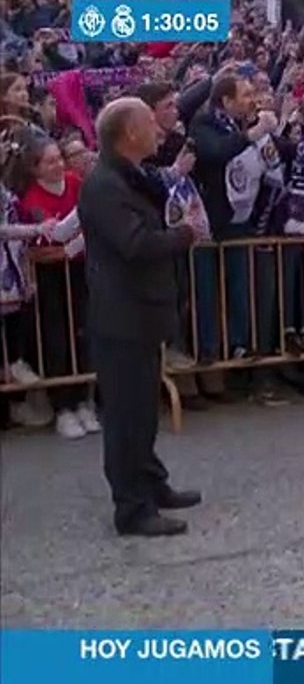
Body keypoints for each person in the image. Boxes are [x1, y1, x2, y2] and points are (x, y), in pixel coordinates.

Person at [78, 97, 202, 537]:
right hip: (121, 315)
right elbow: (135, 245)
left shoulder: (131, 177)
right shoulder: (104, 185)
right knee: (126, 414)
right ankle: (131, 507)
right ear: (129, 133)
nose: (158, 129)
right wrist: (185, 233)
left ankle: (151, 481)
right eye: (150, 122)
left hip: (143, 312)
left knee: (145, 408)